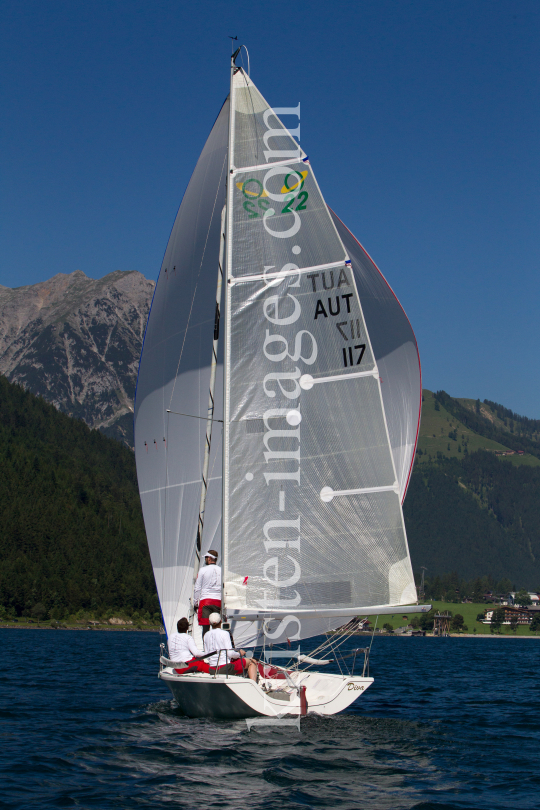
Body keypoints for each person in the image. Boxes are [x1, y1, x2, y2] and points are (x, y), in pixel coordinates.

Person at [203, 613, 257, 680]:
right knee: (252, 662)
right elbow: (230, 654)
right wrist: (240, 653)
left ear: (209, 623)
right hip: (225, 668)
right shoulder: (225, 633)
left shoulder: (206, 635)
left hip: (212, 669)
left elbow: (207, 655)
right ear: (221, 621)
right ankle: (253, 686)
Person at [193, 549, 222, 638]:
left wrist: (195, 603)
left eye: (206, 557)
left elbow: (197, 588)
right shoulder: (222, 570)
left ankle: (207, 649)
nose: (205, 559)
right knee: (217, 626)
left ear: (209, 558)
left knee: (205, 627)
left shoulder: (202, 570)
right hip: (218, 601)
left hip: (205, 601)